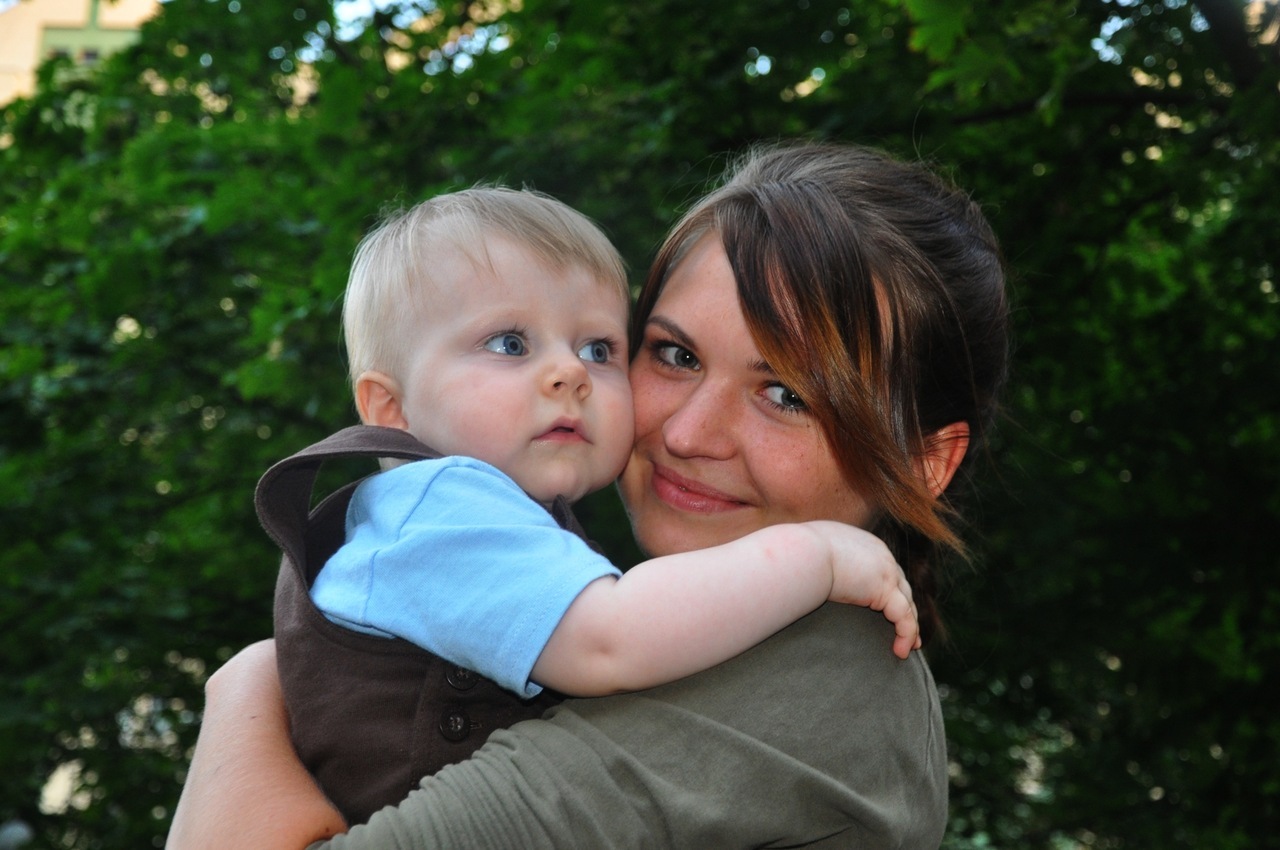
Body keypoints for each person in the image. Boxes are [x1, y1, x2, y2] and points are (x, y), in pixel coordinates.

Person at [167, 140, 1010, 849]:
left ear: (926, 462)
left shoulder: (826, 671)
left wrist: (245, 695)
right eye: (676, 354)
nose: (689, 435)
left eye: (787, 395)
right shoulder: (545, 562)